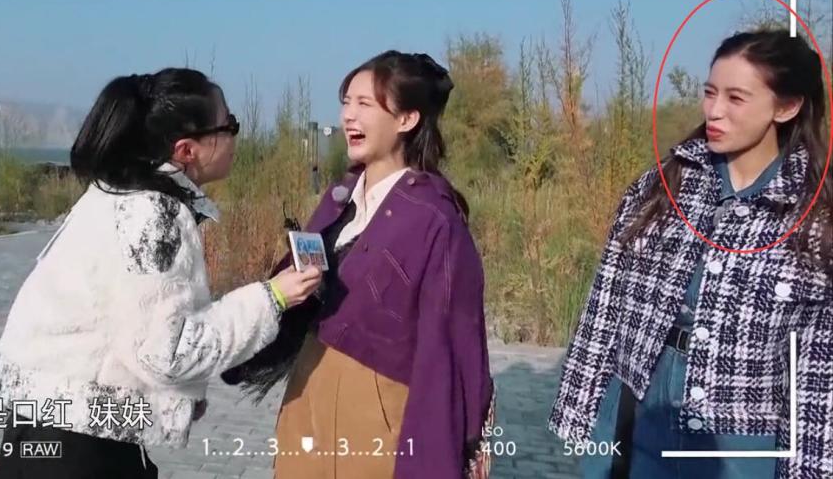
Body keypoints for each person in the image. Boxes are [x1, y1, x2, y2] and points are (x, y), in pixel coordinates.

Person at [0, 68, 322, 478]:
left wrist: (173, 397)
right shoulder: (153, 213)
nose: (237, 136)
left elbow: (131, 329)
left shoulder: (117, 194)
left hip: (45, 431)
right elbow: (168, 353)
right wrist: (272, 297)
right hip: (80, 447)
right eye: (229, 125)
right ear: (187, 150)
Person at [549, 30, 833, 479]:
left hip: (740, 436)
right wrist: (580, 408)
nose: (714, 110)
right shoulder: (664, 185)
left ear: (786, 107)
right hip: (641, 405)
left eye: (736, 98)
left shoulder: (813, 218)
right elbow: (606, 303)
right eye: (710, 92)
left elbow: (819, 370)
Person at [223, 51, 495, 478]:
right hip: (309, 394)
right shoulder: (341, 197)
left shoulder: (435, 219)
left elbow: (448, 346)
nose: (349, 115)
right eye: (346, 102)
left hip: (378, 417)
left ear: (407, 119)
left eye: (365, 104)